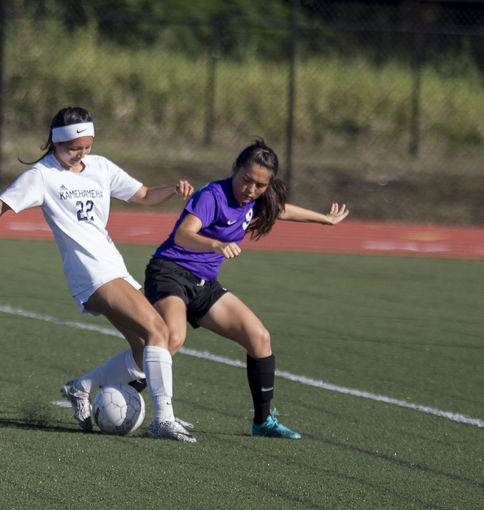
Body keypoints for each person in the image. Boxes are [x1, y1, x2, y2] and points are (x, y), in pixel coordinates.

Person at [0, 106, 197, 442]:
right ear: (55, 142)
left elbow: (144, 195)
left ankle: (80, 388)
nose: (80, 154)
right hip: (89, 272)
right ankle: (163, 420)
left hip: (114, 266)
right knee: (159, 329)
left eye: (86, 147)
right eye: (72, 148)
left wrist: (172, 189)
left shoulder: (100, 167)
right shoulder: (42, 176)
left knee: (146, 349)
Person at [143, 138, 349, 439]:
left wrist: (325, 220)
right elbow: (183, 236)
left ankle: (263, 422)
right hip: (170, 272)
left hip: (204, 285)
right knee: (172, 337)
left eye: (260, 185)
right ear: (234, 169)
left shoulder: (255, 200)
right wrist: (217, 244)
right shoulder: (212, 194)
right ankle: (123, 387)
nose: (251, 189)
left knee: (259, 337)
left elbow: (282, 210)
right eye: (246, 180)